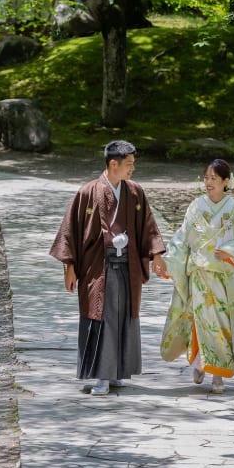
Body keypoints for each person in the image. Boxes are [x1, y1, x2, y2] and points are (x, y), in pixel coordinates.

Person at [50, 140, 167, 396]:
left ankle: (117, 374)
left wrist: (157, 255)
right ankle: (101, 376)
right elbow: (70, 231)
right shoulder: (87, 192)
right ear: (113, 164)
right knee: (102, 318)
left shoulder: (135, 192)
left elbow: (148, 226)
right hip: (97, 268)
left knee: (124, 317)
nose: (132, 169)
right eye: (129, 164)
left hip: (128, 266)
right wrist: (69, 267)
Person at [159, 159, 234, 395]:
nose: (209, 182)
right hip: (200, 275)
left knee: (221, 326)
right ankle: (200, 365)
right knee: (201, 322)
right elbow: (182, 238)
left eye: (214, 178)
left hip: (222, 277)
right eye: (206, 178)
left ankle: (218, 374)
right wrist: (169, 261)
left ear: (225, 181)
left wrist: (230, 252)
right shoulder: (195, 207)